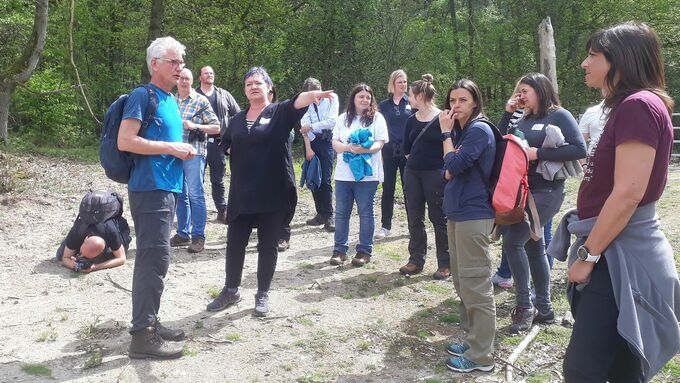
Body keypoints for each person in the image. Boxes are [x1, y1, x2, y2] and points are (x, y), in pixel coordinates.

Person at [556, 22, 679, 382]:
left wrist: (588, 255)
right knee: (620, 366)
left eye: (593, 55)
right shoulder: (631, 106)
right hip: (614, 248)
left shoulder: (638, 106)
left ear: (620, 62)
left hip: (617, 252)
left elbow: (628, 193)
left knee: (583, 370)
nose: (584, 63)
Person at [206, 67, 333, 317]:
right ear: (245, 90)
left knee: (267, 245)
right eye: (249, 84)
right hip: (242, 192)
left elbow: (298, 101)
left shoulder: (278, 113)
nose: (253, 86)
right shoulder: (238, 119)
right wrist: (238, 152)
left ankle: (262, 292)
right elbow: (226, 143)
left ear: (268, 88)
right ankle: (231, 289)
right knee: (235, 243)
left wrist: (315, 94)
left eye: (258, 83)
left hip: (272, 191)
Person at [118, 36, 197, 359]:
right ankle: (142, 336)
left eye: (181, 62)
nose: (180, 68)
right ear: (155, 64)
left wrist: (179, 150)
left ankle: (150, 321)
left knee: (158, 259)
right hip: (150, 189)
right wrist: (171, 148)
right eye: (174, 62)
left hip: (167, 188)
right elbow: (126, 140)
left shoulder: (169, 99)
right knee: (153, 260)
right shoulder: (143, 95)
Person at [499, 73, 587, 334]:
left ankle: (525, 307)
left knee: (513, 242)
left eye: (525, 91)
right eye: (519, 91)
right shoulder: (523, 118)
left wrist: (539, 153)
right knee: (534, 248)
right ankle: (544, 309)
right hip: (523, 191)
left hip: (547, 191)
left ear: (540, 90)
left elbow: (579, 149)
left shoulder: (559, 115)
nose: (521, 96)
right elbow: (501, 140)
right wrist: (508, 112)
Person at [439, 79, 497, 373]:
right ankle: (473, 338)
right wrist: (450, 159)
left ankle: (482, 356)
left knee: (476, 283)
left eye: (462, 100)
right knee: (462, 280)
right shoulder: (463, 133)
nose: (455, 106)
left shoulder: (479, 130)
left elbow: (455, 166)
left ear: (475, 101)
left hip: (475, 214)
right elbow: (447, 167)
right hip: (459, 213)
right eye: (452, 101)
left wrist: (446, 134)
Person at [329, 83, 388, 267]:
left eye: (368, 97)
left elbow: (380, 143)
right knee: (341, 213)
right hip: (343, 175)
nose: (364, 99)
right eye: (361, 96)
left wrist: (363, 149)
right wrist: (349, 148)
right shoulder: (343, 119)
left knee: (366, 213)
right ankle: (340, 250)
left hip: (367, 176)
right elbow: (335, 143)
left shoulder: (377, 118)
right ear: (353, 98)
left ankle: (364, 251)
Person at [399, 74, 450, 280]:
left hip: (435, 174)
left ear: (420, 96)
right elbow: (406, 148)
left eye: (410, 95)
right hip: (412, 173)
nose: (408, 99)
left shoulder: (443, 118)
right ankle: (416, 259)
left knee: (438, 218)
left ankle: (445, 263)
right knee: (414, 217)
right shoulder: (411, 120)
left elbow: (449, 144)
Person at [171, 68, 220, 253]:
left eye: (187, 79)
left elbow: (217, 127)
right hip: (175, 153)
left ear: (192, 81)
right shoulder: (171, 100)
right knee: (180, 194)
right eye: (181, 78)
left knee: (195, 194)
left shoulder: (200, 100)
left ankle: (198, 236)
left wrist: (196, 125)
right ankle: (183, 233)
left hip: (194, 153)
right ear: (177, 81)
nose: (183, 81)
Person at [196, 65, 241, 224]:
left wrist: (231, 135)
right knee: (195, 180)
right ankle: (196, 214)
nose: (209, 75)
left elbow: (237, 114)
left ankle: (222, 211)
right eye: (206, 73)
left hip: (218, 143)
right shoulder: (193, 95)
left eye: (211, 73)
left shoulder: (224, 95)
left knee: (218, 179)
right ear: (200, 77)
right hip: (197, 143)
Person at [376, 69, 412, 240]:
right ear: (393, 84)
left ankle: (413, 225)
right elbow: (378, 130)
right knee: (388, 189)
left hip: (408, 153)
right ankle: (385, 226)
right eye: (400, 82)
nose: (403, 85)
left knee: (410, 189)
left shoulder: (412, 103)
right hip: (388, 152)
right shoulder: (383, 106)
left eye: (405, 82)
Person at [300, 77, 339, 233]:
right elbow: (304, 126)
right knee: (313, 177)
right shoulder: (304, 102)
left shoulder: (331, 99)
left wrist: (312, 127)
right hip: (311, 141)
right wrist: (309, 145)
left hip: (326, 141)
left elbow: (331, 122)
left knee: (326, 180)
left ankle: (329, 215)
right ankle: (320, 213)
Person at [56, 212, 130, 273]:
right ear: (85, 239)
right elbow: (65, 258)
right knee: (60, 254)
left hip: (119, 229)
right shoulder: (77, 231)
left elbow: (121, 259)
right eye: (81, 252)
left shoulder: (111, 233)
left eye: (86, 256)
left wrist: (95, 267)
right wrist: (74, 265)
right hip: (83, 231)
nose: (80, 255)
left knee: (110, 257)